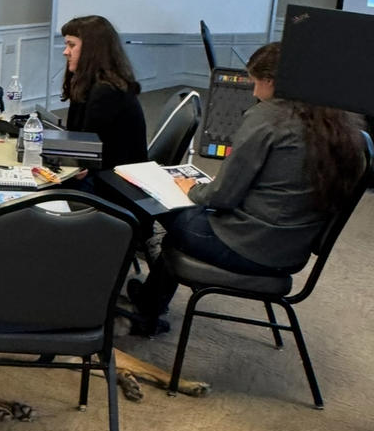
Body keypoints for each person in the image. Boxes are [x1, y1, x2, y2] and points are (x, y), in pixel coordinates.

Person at [127, 41, 366, 335]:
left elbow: (222, 197)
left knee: (159, 205)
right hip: (291, 249)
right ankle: (150, 304)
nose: (253, 93)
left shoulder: (268, 118)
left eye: (255, 82)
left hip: (248, 244)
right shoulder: (339, 124)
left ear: (271, 81)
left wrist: (190, 188)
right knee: (178, 229)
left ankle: (144, 311)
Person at [61, 14, 147, 170]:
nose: (66, 52)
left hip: (111, 181)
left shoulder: (106, 91)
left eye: (71, 45)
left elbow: (86, 157)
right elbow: (76, 136)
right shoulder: (89, 83)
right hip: (104, 171)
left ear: (91, 50)